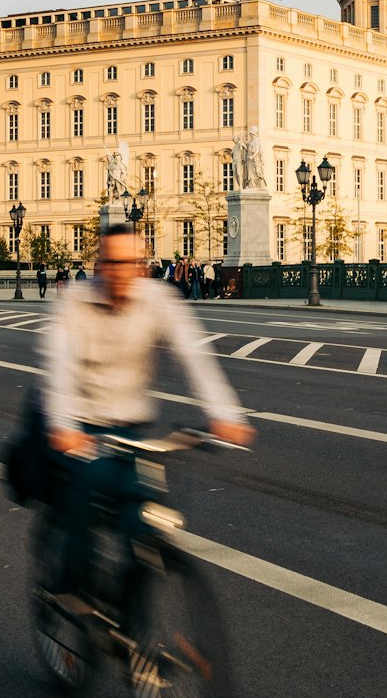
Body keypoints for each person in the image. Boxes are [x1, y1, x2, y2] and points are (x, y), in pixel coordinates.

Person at [41, 224, 254, 598]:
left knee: (144, 534)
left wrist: (225, 415)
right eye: (112, 262)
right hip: (82, 427)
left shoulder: (158, 299)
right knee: (77, 510)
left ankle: (133, 639)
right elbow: (58, 368)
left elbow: (194, 355)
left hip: (131, 428)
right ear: (99, 265)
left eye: (130, 263)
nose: (121, 271)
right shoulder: (74, 302)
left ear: (141, 266)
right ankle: (73, 593)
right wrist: (63, 426)